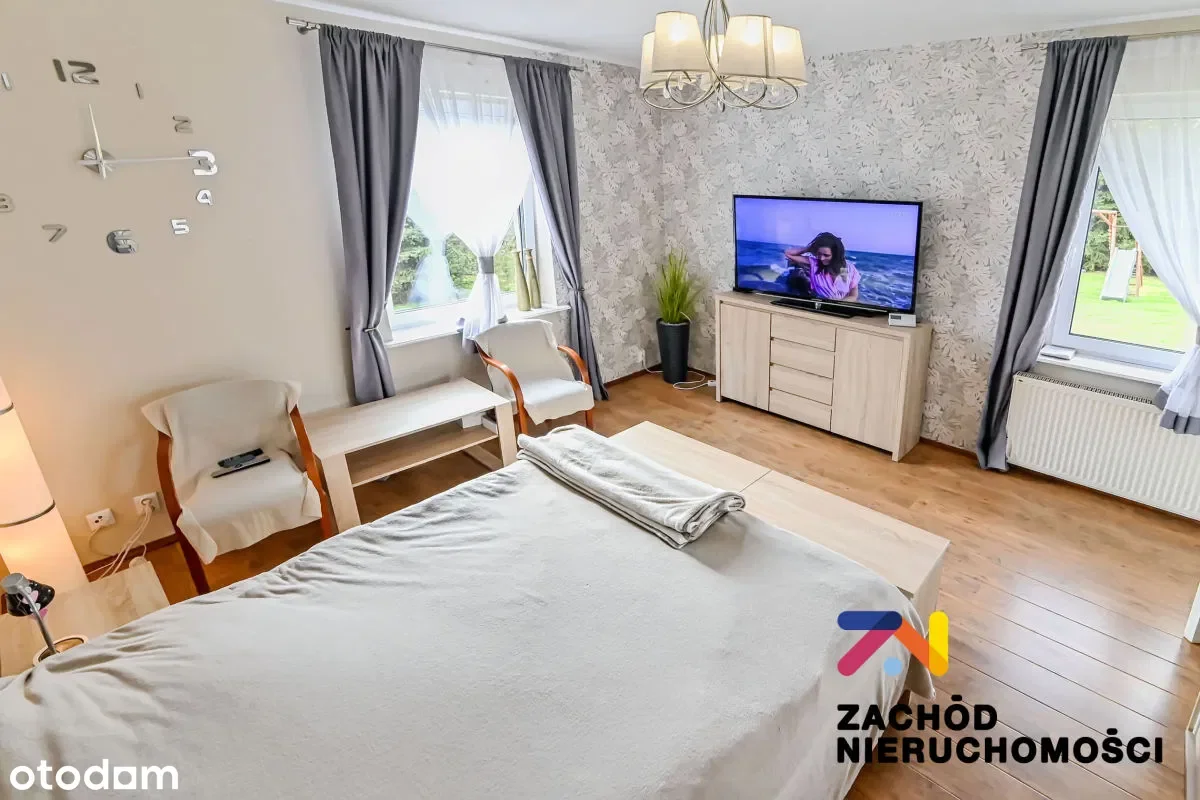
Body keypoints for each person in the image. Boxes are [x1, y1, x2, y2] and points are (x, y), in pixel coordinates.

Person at [784, 232, 860, 302]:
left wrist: (838, 305)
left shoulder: (846, 269)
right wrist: (810, 248)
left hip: (843, 307)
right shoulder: (815, 264)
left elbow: (853, 295)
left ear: (836, 255)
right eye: (819, 254)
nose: (822, 258)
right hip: (820, 305)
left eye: (826, 255)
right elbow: (788, 254)